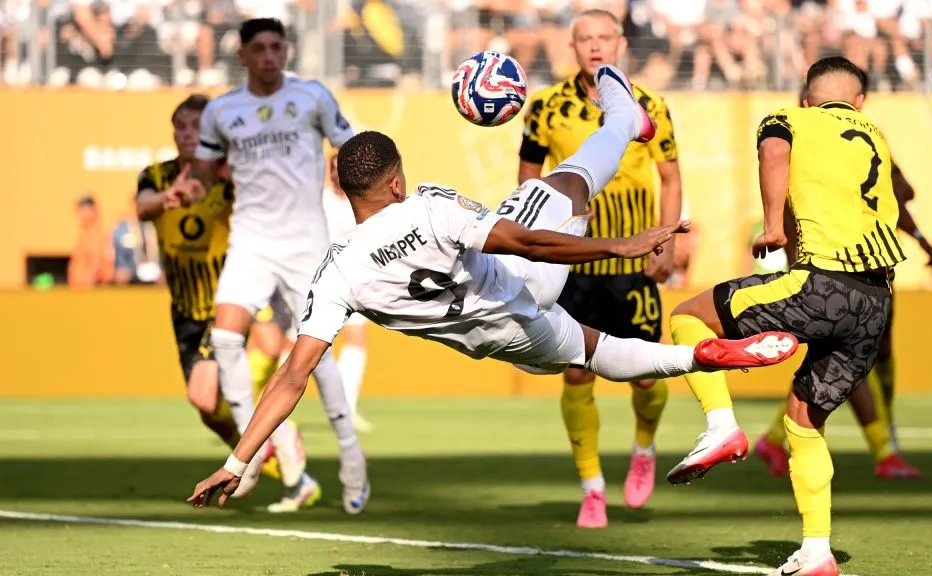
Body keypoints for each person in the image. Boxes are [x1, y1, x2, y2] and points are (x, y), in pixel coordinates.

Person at [187, 64, 799, 511]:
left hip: (506, 339)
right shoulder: (428, 206)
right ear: (397, 182)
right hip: (522, 280)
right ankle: (622, 117)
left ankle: (700, 362)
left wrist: (235, 462)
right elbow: (525, 243)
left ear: (345, 192)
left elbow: (292, 379)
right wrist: (618, 244)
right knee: (567, 184)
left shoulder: (337, 273)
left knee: (600, 353)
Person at [665, 57, 905, 576]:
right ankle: (817, 551)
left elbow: (774, 152)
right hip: (875, 301)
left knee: (689, 316)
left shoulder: (790, 119)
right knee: (804, 421)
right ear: (859, 102)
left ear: (806, 97)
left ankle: (721, 424)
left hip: (821, 282)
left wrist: (773, 225)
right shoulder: (876, 138)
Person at [177, 18, 368, 513]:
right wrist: (190, 186)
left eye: (275, 47)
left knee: (316, 353)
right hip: (252, 242)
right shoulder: (223, 111)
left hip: (306, 241)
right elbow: (203, 171)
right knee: (224, 339)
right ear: (243, 55)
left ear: (285, 51)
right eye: (258, 48)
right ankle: (252, 449)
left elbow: (349, 145)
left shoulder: (313, 97)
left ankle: (350, 453)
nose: (268, 56)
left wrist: (354, 173)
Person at [518, 8, 682, 529]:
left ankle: (644, 446)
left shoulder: (650, 105)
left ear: (620, 44)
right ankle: (592, 488)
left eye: (603, 37)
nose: (594, 46)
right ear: (572, 47)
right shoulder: (545, 107)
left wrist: (668, 244)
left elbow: (671, 178)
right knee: (573, 371)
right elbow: (527, 181)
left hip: (632, 261)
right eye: (584, 38)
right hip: (574, 264)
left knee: (645, 375)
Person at [136, 94, 319, 513]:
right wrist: (169, 199)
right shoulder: (157, 175)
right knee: (205, 408)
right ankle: (264, 446)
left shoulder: (229, 178)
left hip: (227, 301)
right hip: (185, 309)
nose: (187, 134)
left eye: (195, 127)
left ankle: (259, 447)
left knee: (234, 374)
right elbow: (142, 207)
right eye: (180, 127)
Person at [752, 90, 932, 482]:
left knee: (841, 359)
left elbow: (901, 192)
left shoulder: (856, 140)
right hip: (833, 266)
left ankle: (774, 439)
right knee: (851, 358)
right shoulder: (809, 141)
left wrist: (918, 236)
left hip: (857, 263)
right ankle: (884, 450)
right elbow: (901, 191)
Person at [323, 152, 374, 432]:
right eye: (331, 169)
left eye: (339, 169)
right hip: (318, 281)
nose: (335, 174)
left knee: (356, 341)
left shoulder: (360, 202)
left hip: (353, 280)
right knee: (293, 347)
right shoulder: (319, 203)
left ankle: (346, 409)